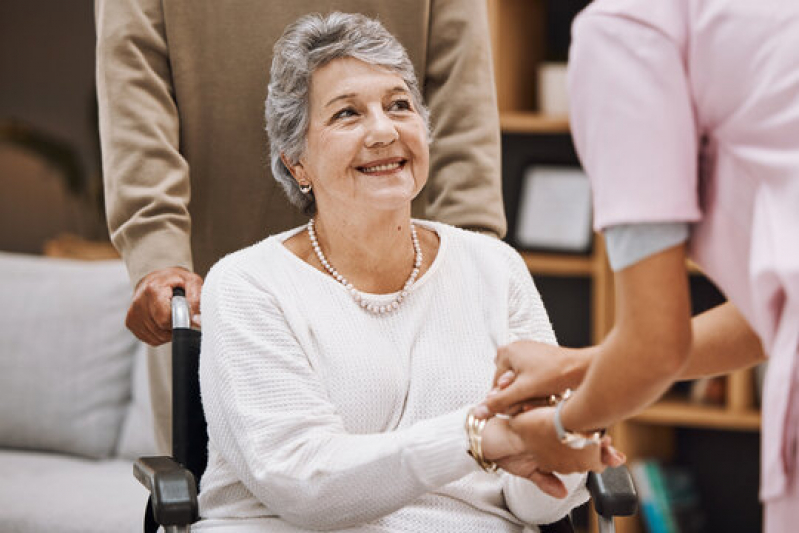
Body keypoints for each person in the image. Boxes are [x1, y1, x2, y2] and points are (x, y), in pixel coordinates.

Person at [193, 12, 606, 532]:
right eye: (348, 114)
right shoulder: (246, 285)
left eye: (399, 106)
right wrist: (476, 438)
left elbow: (534, 503)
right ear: (296, 162)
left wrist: (563, 443)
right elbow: (304, 483)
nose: (384, 131)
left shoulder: (493, 267)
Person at [95, 0, 506, 453]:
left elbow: (460, 93)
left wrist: (474, 255)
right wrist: (158, 256)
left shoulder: (484, 273)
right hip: (209, 281)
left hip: (407, 278)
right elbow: (135, 89)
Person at [478, 1, 799, 530]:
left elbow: (654, 347)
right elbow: (768, 317)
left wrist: (561, 426)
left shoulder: (624, 32)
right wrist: (583, 364)